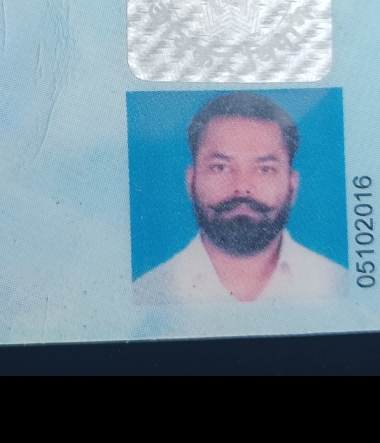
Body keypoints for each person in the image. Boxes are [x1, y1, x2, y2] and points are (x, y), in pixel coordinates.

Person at [133, 93, 348, 303]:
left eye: (265, 169)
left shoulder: (339, 287)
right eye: (220, 167)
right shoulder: (147, 295)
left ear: (292, 186)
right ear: (191, 182)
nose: (242, 187)